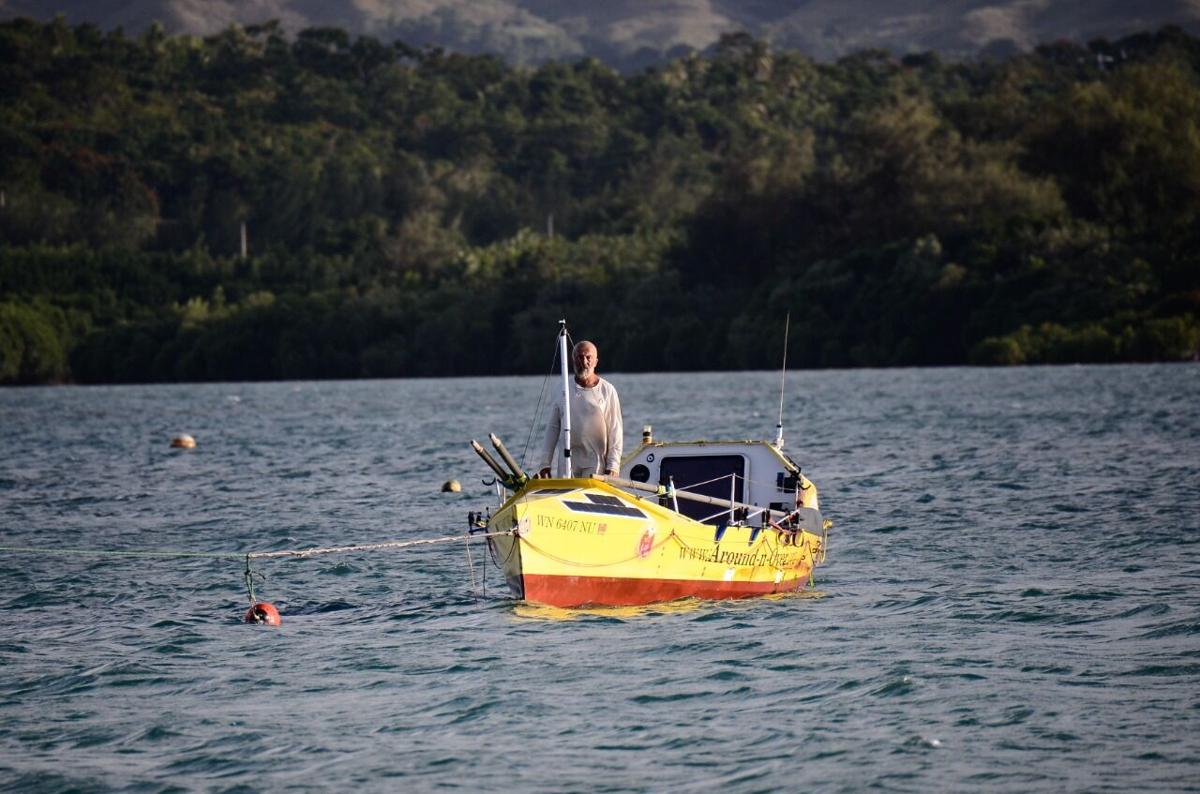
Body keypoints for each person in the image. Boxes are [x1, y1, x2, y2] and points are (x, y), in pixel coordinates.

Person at [537, 340, 623, 478]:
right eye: (579, 357)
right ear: (572, 361)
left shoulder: (607, 391)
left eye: (588, 357)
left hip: (596, 462)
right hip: (567, 461)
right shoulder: (561, 389)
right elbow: (552, 428)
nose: (583, 361)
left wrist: (613, 465)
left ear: (595, 361)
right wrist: (544, 463)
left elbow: (615, 431)